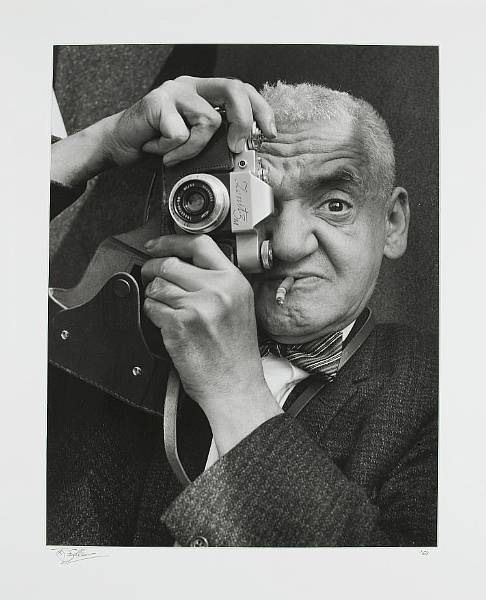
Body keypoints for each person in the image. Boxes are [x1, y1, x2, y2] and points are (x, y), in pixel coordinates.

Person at [49, 76, 437, 547]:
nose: (288, 246)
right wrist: (96, 145)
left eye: (335, 205)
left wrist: (234, 389)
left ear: (393, 222)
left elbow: (400, 579)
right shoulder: (122, 326)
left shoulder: (442, 391)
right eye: (258, 203)